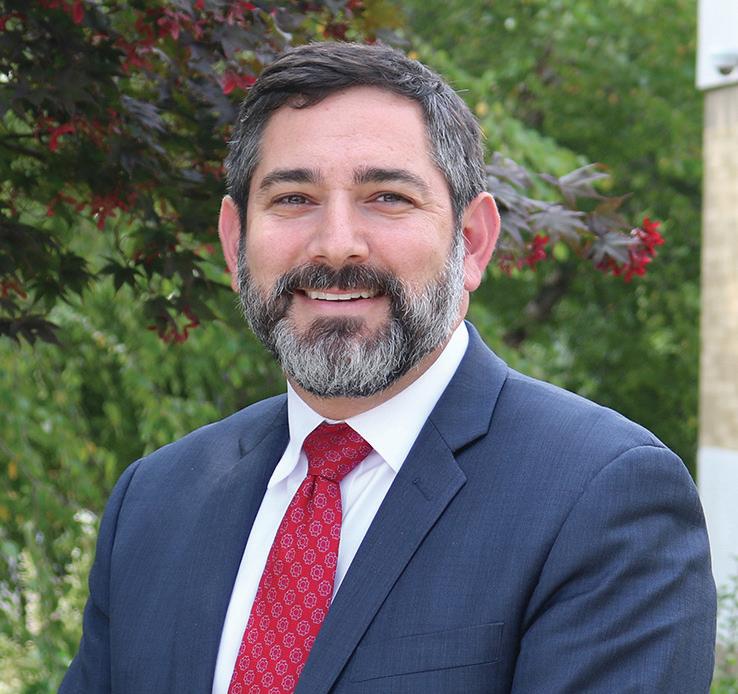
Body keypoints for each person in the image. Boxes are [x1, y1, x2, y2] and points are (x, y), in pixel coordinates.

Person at [61, 42, 716, 694]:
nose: (336, 244)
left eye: (387, 197)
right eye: (293, 198)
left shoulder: (601, 498)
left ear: (472, 242)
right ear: (235, 242)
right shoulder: (155, 501)